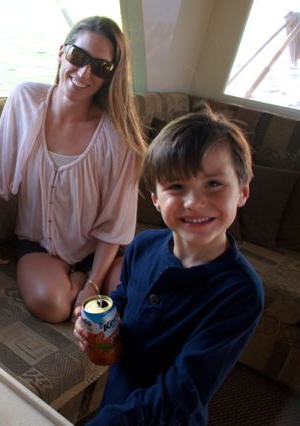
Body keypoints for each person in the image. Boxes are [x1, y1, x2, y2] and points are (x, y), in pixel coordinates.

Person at [73, 106, 264, 424]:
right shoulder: (143, 245)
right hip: (118, 400)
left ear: (242, 192)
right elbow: (124, 296)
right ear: (156, 198)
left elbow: (183, 392)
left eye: (214, 184)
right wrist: (101, 318)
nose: (194, 202)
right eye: (176, 186)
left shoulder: (240, 293)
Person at [0, 16, 146, 323]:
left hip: (100, 250)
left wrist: (92, 284)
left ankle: (87, 279)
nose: (85, 73)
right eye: (79, 57)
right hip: (40, 245)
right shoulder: (25, 99)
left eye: (101, 67)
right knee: (52, 306)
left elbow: (116, 222)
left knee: (131, 309)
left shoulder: (119, 136)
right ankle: (73, 282)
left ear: (110, 76)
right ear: (62, 52)